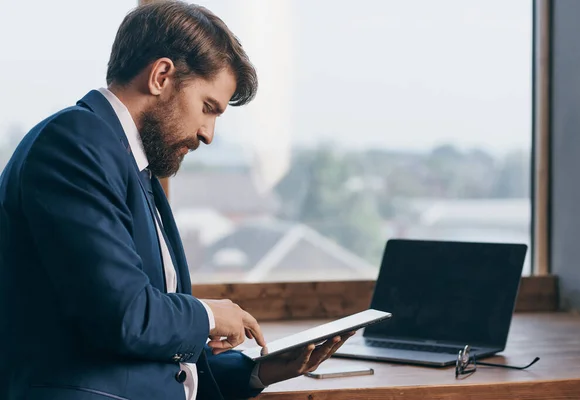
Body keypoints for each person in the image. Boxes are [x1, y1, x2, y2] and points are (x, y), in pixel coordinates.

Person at [0, 2, 352, 399]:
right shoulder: (75, 145)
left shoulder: (132, 164)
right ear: (161, 76)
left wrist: (260, 371)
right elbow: (124, 316)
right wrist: (208, 315)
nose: (208, 134)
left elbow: (151, 356)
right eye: (207, 108)